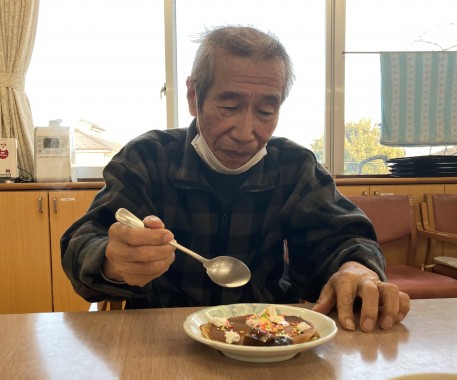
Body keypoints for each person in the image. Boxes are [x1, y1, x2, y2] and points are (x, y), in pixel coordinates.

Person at [61, 25, 410, 332]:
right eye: (229, 107)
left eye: (266, 111)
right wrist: (113, 260)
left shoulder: (293, 166)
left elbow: (343, 237)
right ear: (193, 96)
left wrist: (356, 268)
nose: (246, 133)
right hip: (162, 337)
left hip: (269, 337)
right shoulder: (148, 158)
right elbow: (83, 243)